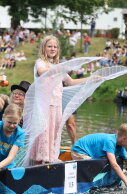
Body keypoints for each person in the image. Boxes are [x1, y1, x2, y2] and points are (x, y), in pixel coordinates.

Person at [31, 35, 89, 164]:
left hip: (57, 105)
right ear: (44, 48)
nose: (53, 49)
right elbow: (42, 72)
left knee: (55, 131)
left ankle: (51, 158)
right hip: (44, 105)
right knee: (44, 132)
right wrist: (61, 67)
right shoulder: (40, 62)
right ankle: (40, 161)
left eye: (55, 47)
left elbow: (71, 82)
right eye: (50, 46)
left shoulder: (57, 66)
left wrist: (91, 79)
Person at [71, 123, 127, 194]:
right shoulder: (110, 141)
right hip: (79, 151)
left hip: (89, 154)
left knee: (105, 163)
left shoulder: (120, 146)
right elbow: (114, 165)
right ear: (124, 138)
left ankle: (121, 172)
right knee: (94, 166)